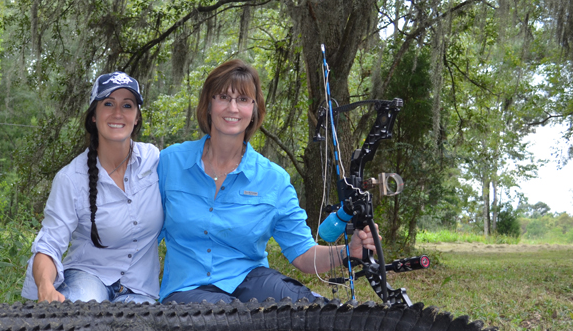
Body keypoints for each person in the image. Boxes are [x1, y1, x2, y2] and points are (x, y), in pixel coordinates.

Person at [158, 59, 378, 304]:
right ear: (208, 105)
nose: (233, 108)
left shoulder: (273, 178)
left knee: (310, 308)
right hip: (186, 290)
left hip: (252, 281)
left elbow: (303, 254)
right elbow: (141, 234)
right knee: (230, 321)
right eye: (223, 97)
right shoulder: (169, 163)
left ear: (254, 110)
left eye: (242, 99)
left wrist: (348, 252)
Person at [22, 72, 162, 304]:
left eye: (127, 105)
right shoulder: (71, 178)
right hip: (88, 277)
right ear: (94, 116)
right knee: (79, 319)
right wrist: (46, 286)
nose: (118, 113)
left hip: (141, 289)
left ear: (136, 117)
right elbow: (49, 243)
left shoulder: (154, 161)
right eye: (108, 103)